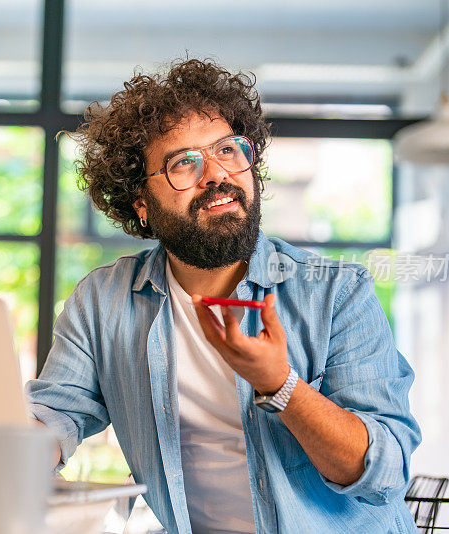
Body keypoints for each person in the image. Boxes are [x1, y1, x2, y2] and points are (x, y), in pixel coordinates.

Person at [26, 58, 420, 534]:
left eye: (228, 151)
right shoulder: (103, 301)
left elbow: (382, 473)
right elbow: (56, 413)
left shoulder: (337, 293)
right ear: (141, 206)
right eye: (183, 163)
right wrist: (6, 444)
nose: (216, 174)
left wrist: (281, 385)